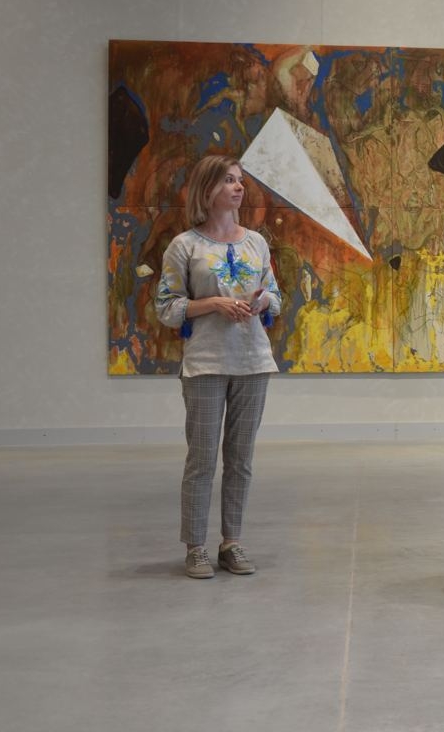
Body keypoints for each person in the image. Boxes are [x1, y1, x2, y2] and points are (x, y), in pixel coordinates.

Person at [155, 154, 282, 579]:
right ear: (207, 189)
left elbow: (275, 298)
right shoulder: (184, 246)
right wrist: (212, 303)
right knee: (203, 459)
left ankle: (231, 542)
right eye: (228, 180)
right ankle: (195, 547)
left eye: (239, 180)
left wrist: (262, 301)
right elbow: (166, 307)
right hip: (206, 363)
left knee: (241, 458)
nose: (238, 187)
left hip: (253, 360)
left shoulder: (256, 243)